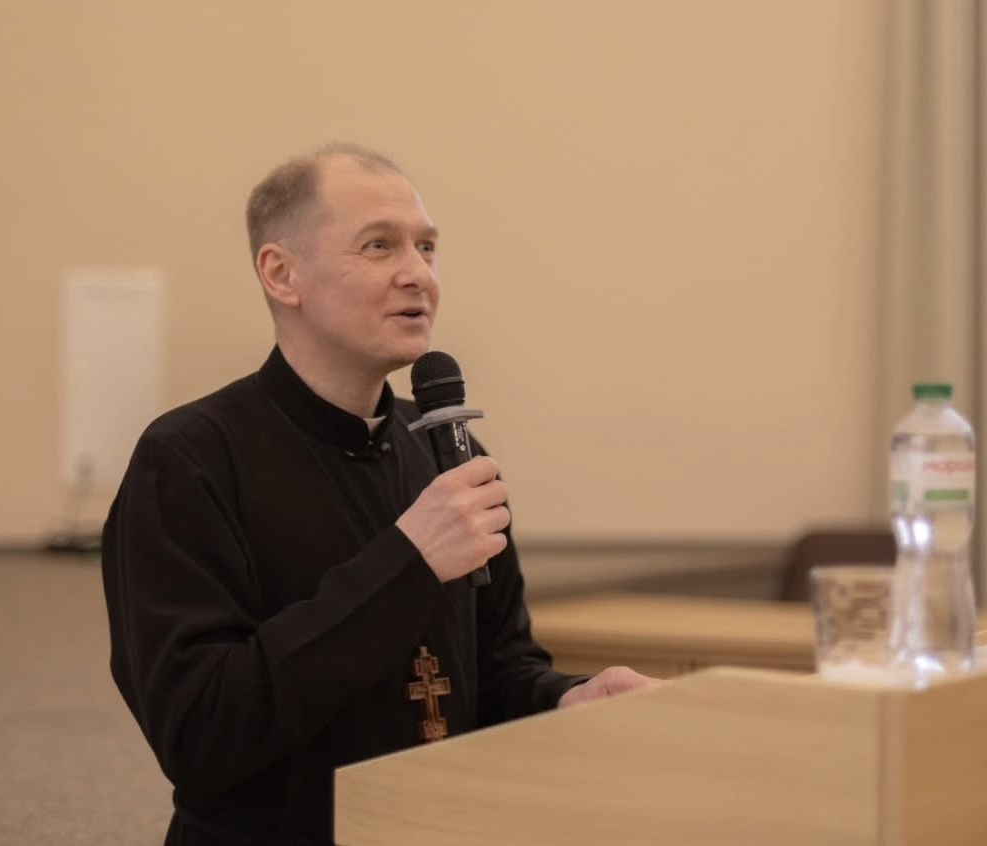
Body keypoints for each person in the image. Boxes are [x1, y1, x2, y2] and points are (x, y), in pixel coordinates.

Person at [101, 143, 661, 846]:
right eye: (378, 245)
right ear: (281, 274)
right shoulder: (189, 461)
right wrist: (408, 561)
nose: (417, 273)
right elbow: (201, 731)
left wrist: (565, 699)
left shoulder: (447, 451)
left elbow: (496, 675)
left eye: (427, 247)